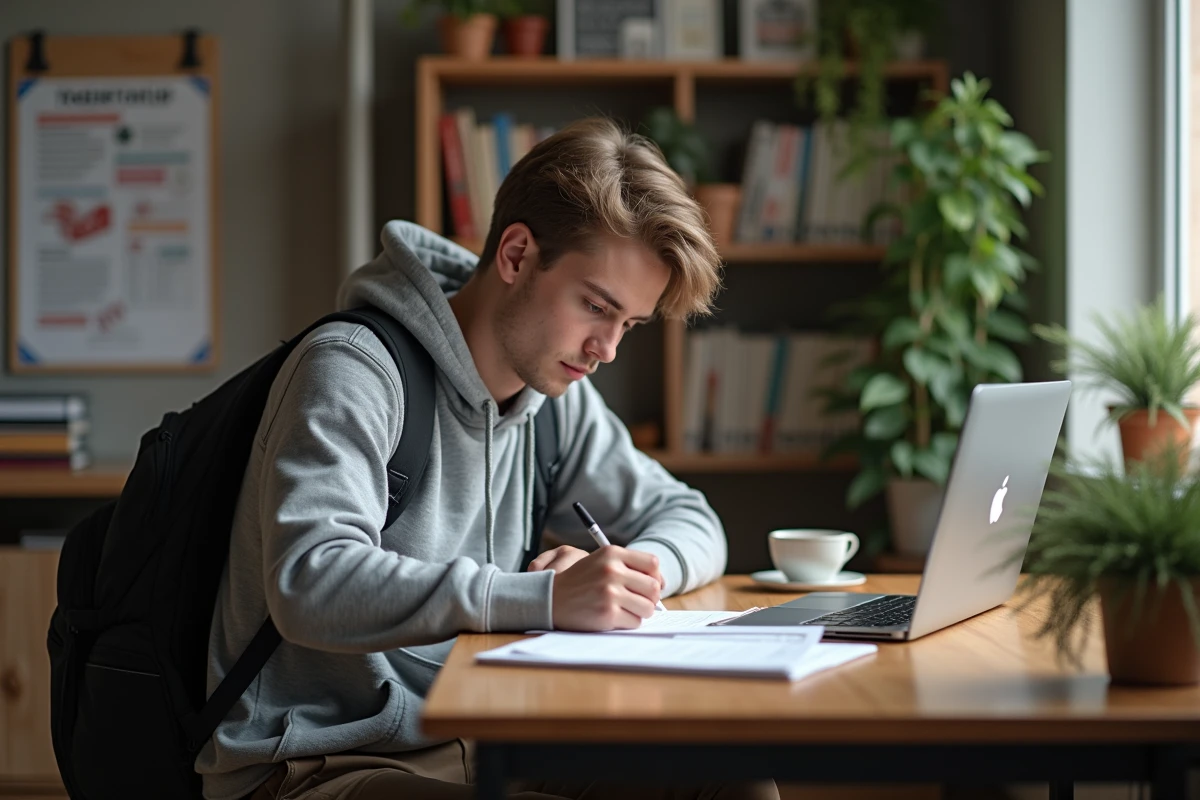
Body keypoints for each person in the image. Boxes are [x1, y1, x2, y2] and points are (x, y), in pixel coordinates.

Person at [197, 117, 779, 800]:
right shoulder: (353, 370)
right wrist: (544, 598)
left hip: (488, 735)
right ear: (516, 254)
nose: (607, 349)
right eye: (596, 307)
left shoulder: (554, 397)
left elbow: (691, 517)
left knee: (732, 778)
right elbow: (309, 581)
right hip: (323, 761)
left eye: (629, 323)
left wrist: (629, 578)